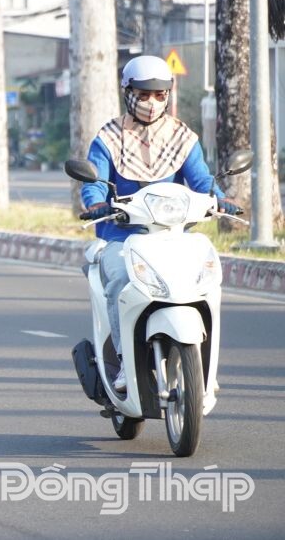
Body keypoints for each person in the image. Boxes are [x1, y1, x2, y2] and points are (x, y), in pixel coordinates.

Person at [79, 55, 239, 393]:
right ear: (128, 93)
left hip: (171, 236)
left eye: (159, 95)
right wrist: (95, 203)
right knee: (120, 279)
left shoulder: (182, 137)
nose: (151, 102)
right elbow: (94, 181)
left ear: (168, 95)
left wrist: (219, 198)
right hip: (121, 238)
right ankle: (124, 360)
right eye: (143, 94)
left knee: (204, 278)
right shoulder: (109, 138)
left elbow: (202, 180)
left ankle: (203, 365)